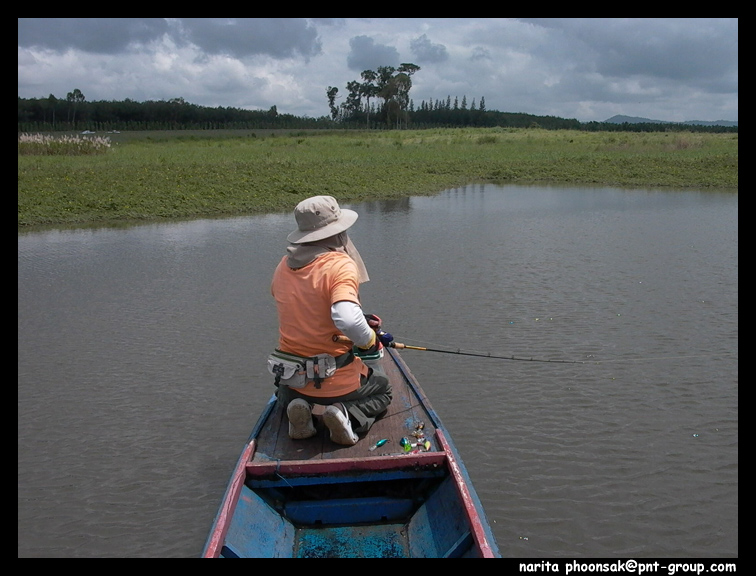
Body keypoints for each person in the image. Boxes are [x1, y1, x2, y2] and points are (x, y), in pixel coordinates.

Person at [269, 195, 393, 446]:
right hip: (338, 381)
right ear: (337, 232)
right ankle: (347, 415)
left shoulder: (283, 266)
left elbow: (309, 308)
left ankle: (298, 408)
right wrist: (369, 340)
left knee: (283, 394)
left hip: (293, 380)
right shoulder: (339, 265)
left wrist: (358, 320)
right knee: (384, 390)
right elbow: (346, 318)